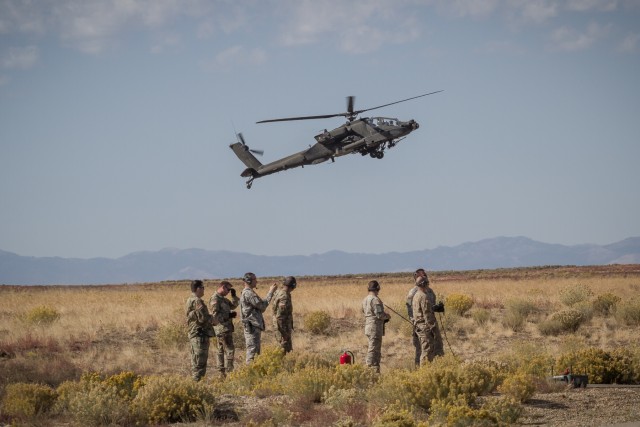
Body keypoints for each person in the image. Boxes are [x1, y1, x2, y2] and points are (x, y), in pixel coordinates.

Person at [239, 272, 277, 363]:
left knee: (255, 352)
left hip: (252, 326)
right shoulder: (249, 293)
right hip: (252, 326)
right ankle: (250, 373)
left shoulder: (248, 292)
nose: (257, 281)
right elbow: (262, 306)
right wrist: (271, 292)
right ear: (249, 281)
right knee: (252, 352)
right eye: (255, 279)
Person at [185, 279, 216, 381]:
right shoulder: (197, 301)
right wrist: (213, 319)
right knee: (200, 364)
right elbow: (203, 318)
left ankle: (196, 385)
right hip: (200, 334)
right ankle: (197, 386)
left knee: (196, 361)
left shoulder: (190, 299)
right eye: (202, 288)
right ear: (198, 288)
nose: (203, 290)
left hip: (194, 334)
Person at [412, 274, 445, 365]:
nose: (428, 285)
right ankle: (425, 371)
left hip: (419, 326)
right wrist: (434, 329)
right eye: (427, 283)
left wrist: (435, 308)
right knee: (427, 350)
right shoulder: (423, 296)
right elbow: (427, 315)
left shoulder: (416, 295)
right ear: (424, 284)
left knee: (427, 349)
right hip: (425, 327)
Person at [209, 280, 240, 377]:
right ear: (222, 287)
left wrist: (234, 296)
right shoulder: (215, 299)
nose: (228, 291)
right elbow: (215, 316)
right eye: (228, 289)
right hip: (222, 328)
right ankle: (228, 371)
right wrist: (228, 316)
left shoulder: (224, 299)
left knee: (221, 350)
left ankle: (222, 373)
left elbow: (234, 305)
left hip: (227, 328)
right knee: (229, 349)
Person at [361, 280, 390, 373]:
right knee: (373, 350)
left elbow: (363, 311)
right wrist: (387, 316)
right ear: (377, 288)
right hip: (375, 327)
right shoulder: (375, 300)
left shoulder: (365, 299)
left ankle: (374, 369)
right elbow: (379, 314)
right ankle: (370, 369)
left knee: (373, 348)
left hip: (368, 326)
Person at [272, 276, 296, 353]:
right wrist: (284, 333)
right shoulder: (284, 296)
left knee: (284, 350)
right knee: (284, 351)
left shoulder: (279, 292)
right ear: (293, 286)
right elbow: (280, 317)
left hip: (281, 327)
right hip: (282, 328)